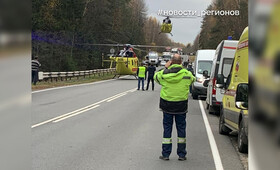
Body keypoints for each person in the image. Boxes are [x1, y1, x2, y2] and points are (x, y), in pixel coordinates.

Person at [154, 54, 195, 161]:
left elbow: (156, 78)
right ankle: (181, 154)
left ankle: (166, 154)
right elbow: (192, 80)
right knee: (181, 130)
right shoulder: (186, 74)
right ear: (181, 62)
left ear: (171, 61)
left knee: (167, 129)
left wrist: (166, 67)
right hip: (181, 106)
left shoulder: (164, 74)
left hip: (167, 106)